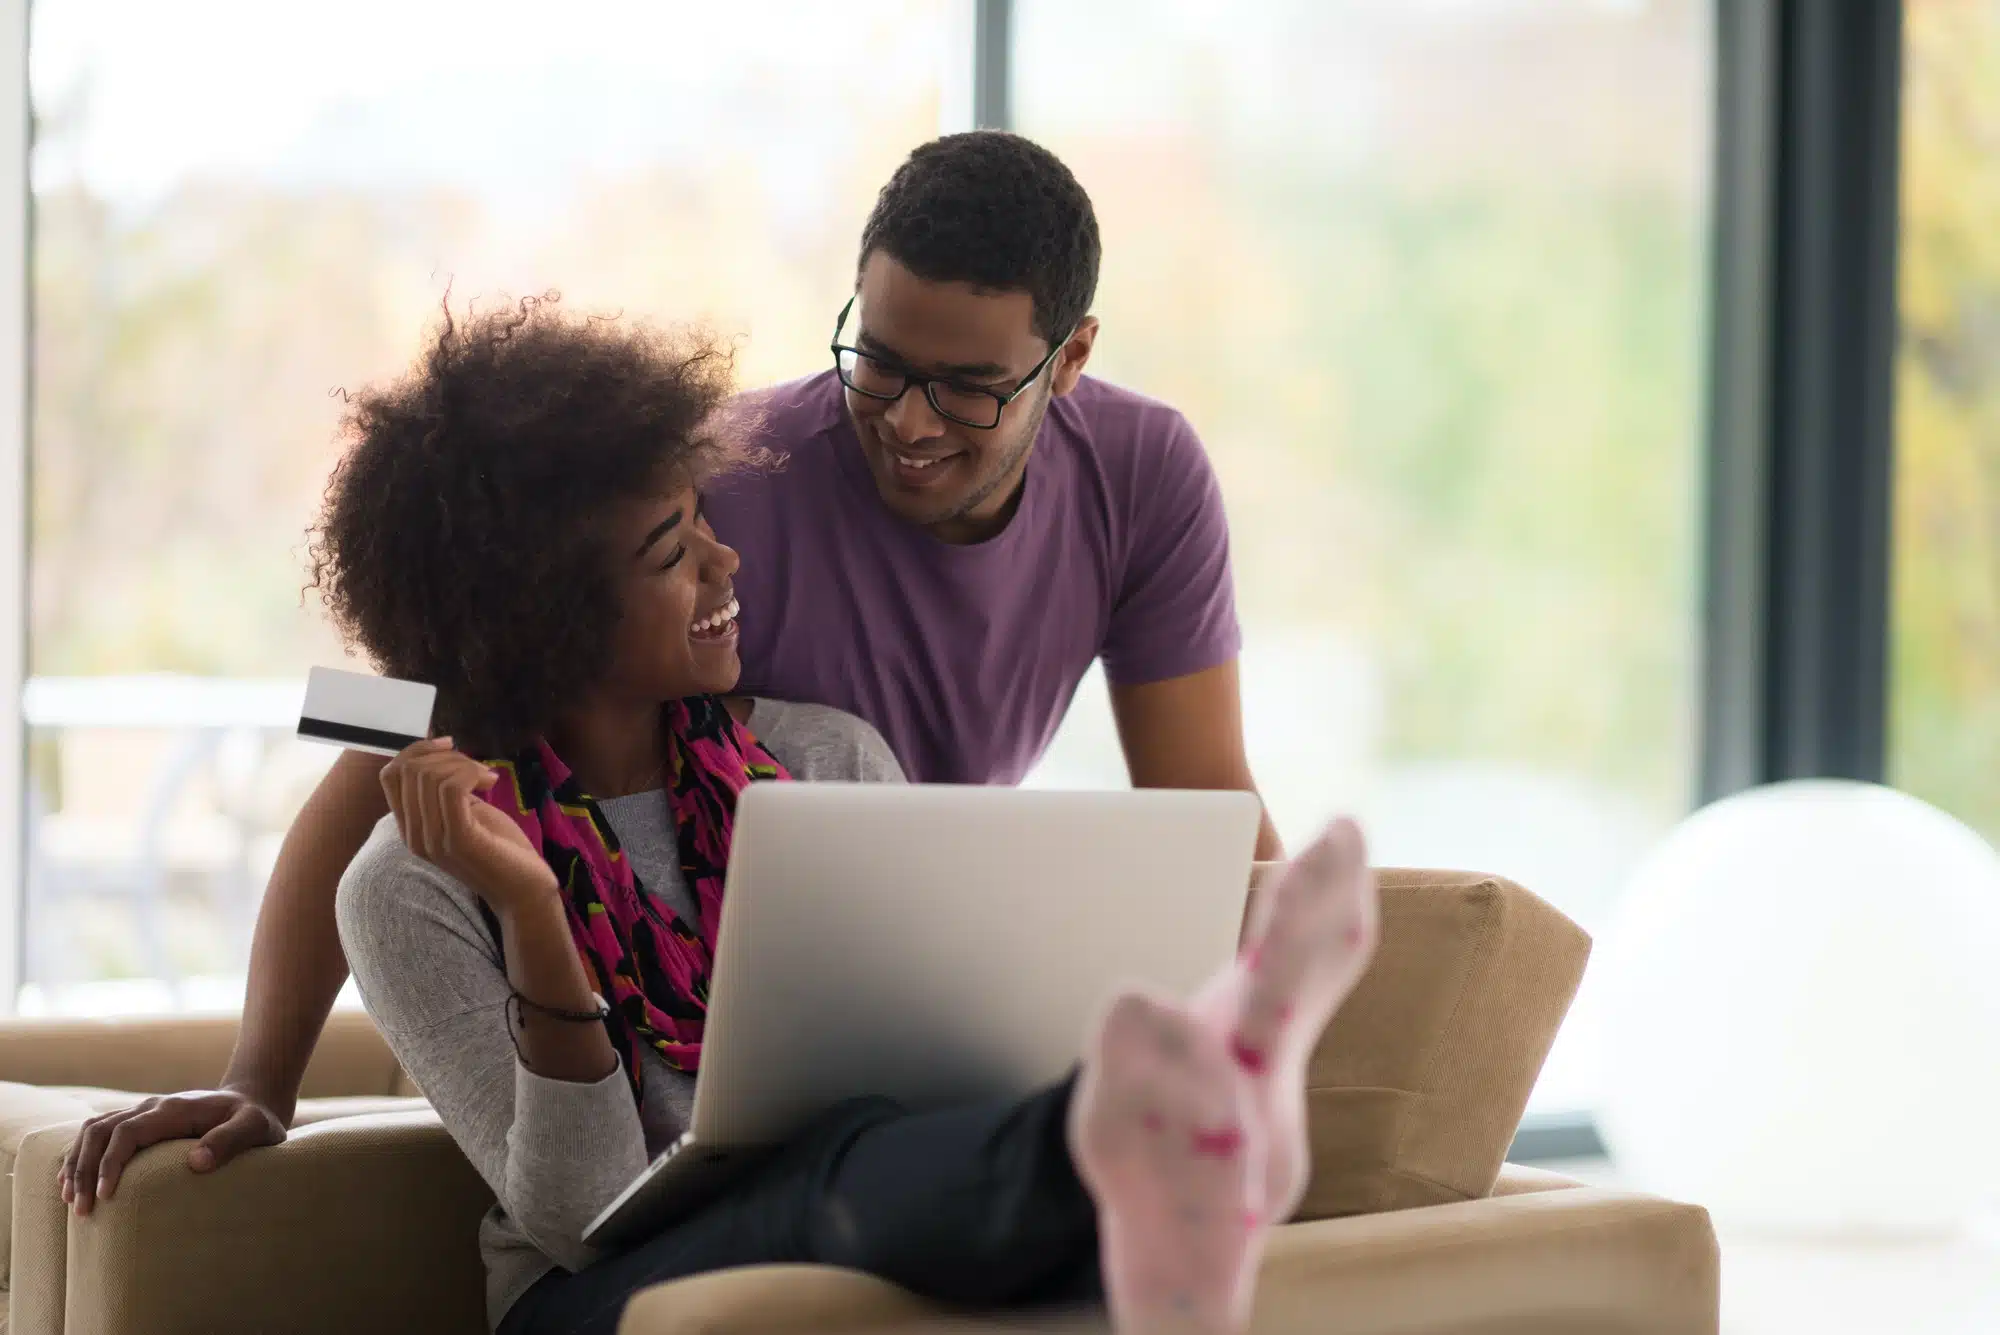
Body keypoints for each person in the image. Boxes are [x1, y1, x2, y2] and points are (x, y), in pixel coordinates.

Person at [81, 302, 1376, 1335]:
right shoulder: (418, 884)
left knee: (876, 1148)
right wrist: (524, 915)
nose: (728, 561)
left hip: (855, 1188)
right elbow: (581, 1214)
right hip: (589, 1292)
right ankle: (1135, 1143)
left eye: (706, 524)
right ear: (549, 623)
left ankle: (1156, 1150)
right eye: (676, 552)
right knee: (845, 1164)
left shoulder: (824, 755)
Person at [59, 130, 1284, 1200]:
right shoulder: (722, 480)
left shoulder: (1144, 475)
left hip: (895, 965)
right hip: (670, 1002)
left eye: (967, 389)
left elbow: (1209, 802)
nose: (908, 420)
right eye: (879, 360)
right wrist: (259, 1080)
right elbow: (387, 716)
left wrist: (1310, 1030)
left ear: (1067, 360)